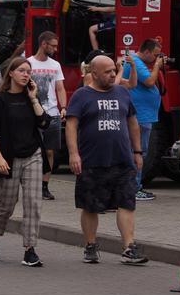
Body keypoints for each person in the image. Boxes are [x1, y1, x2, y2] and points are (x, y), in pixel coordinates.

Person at [66, 55, 148, 265]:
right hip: (92, 161)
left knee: (127, 203)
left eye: (114, 70)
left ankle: (129, 247)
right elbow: (71, 126)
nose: (113, 74)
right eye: (108, 72)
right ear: (94, 74)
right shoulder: (81, 95)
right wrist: (74, 154)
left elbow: (132, 122)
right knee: (91, 206)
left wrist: (137, 152)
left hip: (122, 159)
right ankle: (90, 245)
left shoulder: (122, 92)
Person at [0, 57, 51, 267]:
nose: (25, 75)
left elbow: (44, 122)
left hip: (33, 155)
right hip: (8, 158)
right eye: (21, 70)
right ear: (10, 73)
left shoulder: (31, 97)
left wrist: (33, 99)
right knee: (6, 205)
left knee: (33, 203)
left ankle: (30, 249)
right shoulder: (0, 100)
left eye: (28, 72)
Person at [123, 38, 164, 201]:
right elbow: (149, 81)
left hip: (143, 115)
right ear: (146, 51)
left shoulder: (137, 62)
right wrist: (157, 66)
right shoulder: (136, 62)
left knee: (138, 151)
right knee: (138, 152)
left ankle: (133, 186)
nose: (156, 58)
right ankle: (134, 188)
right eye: (154, 54)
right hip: (139, 116)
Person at [27, 31, 66, 200]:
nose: (56, 49)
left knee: (49, 151)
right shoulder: (28, 63)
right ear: (44, 44)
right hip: (32, 113)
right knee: (31, 150)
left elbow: (60, 88)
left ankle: (44, 186)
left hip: (52, 113)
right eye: (53, 45)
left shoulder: (55, 65)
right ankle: (30, 184)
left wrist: (63, 107)